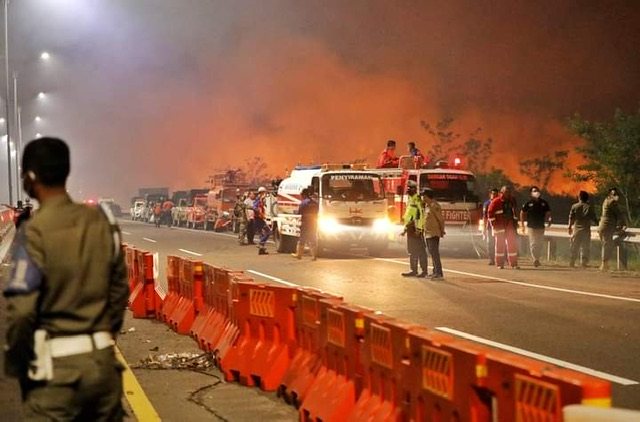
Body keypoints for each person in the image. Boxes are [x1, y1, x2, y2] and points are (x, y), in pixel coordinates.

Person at [3, 137, 128, 420]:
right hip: (104, 370)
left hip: (57, 376)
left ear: (31, 177)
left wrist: (18, 366)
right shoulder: (102, 222)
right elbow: (120, 289)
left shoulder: (34, 232)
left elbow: (22, 312)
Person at [400, 180, 428, 277]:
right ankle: (414, 270)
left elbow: (420, 216)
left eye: (410, 188)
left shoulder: (418, 200)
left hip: (416, 229)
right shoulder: (410, 200)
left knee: (421, 251)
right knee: (412, 250)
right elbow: (409, 217)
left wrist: (419, 229)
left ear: (414, 189)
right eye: (407, 188)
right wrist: (405, 229)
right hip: (410, 229)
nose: (408, 190)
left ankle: (424, 271)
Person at [487, 185, 520, 269]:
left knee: (512, 244)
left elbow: (515, 213)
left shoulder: (512, 201)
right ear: (501, 192)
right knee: (499, 245)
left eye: (509, 192)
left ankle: (513, 263)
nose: (508, 193)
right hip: (499, 226)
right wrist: (494, 225)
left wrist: (515, 223)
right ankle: (499, 264)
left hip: (509, 224)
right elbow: (490, 214)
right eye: (506, 192)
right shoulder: (496, 201)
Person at [520, 186, 552, 267]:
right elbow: (522, 213)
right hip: (531, 226)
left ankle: (537, 258)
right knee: (533, 243)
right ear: (531, 193)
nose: (536, 192)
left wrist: (550, 219)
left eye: (537, 191)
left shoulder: (544, 203)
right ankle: (535, 259)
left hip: (541, 226)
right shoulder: (528, 203)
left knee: (540, 243)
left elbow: (548, 212)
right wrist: (522, 225)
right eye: (534, 191)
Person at [598, 187, 627, 271]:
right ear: (610, 195)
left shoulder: (606, 200)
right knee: (607, 244)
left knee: (607, 244)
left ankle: (604, 264)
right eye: (614, 194)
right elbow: (619, 214)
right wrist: (623, 224)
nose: (616, 196)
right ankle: (604, 265)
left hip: (603, 225)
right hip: (607, 226)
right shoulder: (612, 202)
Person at [568, 190, 598, 268]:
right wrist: (599, 225)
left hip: (576, 229)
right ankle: (584, 263)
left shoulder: (574, 206)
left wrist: (569, 227)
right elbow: (594, 218)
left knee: (574, 246)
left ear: (579, 197)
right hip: (586, 229)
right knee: (585, 247)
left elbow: (571, 218)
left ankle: (572, 261)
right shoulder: (589, 207)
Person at [422, 188, 445, 279]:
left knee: (435, 253)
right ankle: (435, 271)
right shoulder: (427, 206)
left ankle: (439, 273)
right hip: (428, 233)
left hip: (434, 233)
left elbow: (440, 220)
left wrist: (442, 231)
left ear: (428, 196)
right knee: (431, 253)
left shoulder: (434, 206)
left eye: (424, 196)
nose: (423, 198)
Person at [291, 188, 319, 260]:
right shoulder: (315, 202)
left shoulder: (304, 203)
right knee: (312, 238)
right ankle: (314, 256)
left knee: (302, 238)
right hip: (313, 223)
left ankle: (299, 255)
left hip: (305, 223)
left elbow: (299, 212)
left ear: (303, 194)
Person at [482, 188, 499, 265]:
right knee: (490, 243)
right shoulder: (487, 203)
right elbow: (485, 217)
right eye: (492, 194)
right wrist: (484, 229)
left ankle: (500, 258)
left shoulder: (500, 202)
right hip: (490, 226)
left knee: (499, 243)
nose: (494, 195)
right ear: (490, 194)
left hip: (499, 226)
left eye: (495, 194)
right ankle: (492, 259)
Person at [253, 186, 272, 255]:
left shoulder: (261, 199)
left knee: (261, 234)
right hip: (258, 219)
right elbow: (254, 207)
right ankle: (261, 243)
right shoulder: (258, 199)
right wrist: (260, 212)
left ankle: (261, 250)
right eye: (264, 193)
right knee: (268, 231)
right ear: (262, 193)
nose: (265, 194)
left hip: (259, 219)